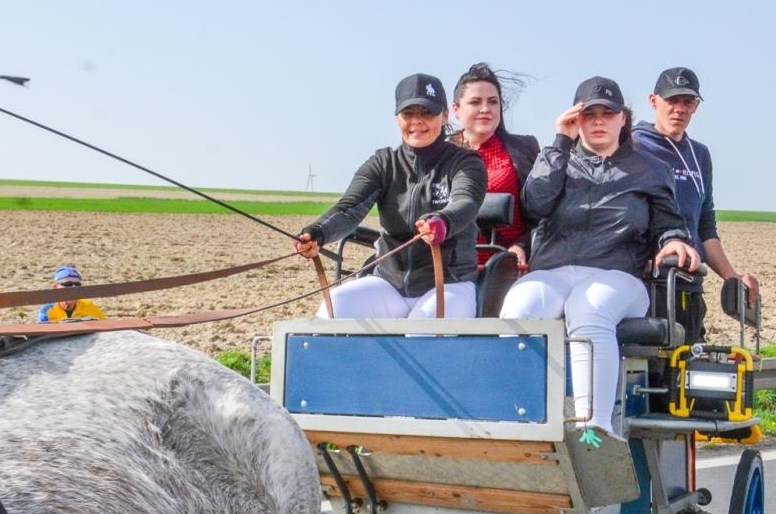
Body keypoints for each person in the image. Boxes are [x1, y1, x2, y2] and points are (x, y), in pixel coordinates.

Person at [500, 76, 700, 436]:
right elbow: (535, 206)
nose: (598, 122)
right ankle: (520, 422)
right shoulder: (557, 160)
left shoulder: (650, 170)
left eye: (607, 114)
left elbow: (668, 224)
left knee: (587, 308)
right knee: (519, 307)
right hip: (554, 270)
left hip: (619, 275)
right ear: (575, 119)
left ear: (623, 118)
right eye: (588, 114)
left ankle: (594, 430)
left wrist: (673, 240)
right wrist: (560, 142)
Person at [294, 73, 487, 319]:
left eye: (427, 112)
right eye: (408, 113)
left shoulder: (466, 163)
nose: (417, 121)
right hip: (389, 284)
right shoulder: (383, 163)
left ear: (445, 115)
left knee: (423, 328)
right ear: (397, 118)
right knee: (336, 304)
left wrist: (443, 221)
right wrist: (317, 232)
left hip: (451, 284)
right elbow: (348, 208)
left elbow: (465, 202)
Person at [632, 66, 760, 338]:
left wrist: (732, 277)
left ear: (696, 106)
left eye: (687, 101)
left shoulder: (699, 155)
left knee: (690, 359)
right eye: (671, 100)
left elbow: (705, 225)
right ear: (653, 101)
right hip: (644, 285)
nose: (679, 109)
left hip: (689, 284)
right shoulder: (632, 146)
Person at [446, 62, 541, 268]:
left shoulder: (525, 149)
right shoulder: (441, 155)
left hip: (510, 266)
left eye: (493, 102)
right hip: (452, 268)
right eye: (475, 102)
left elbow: (544, 214)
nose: (485, 109)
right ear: (456, 109)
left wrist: (522, 246)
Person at [36, 264, 107, 322]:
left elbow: (105, 327)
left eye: (77, 284)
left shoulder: (88, 305)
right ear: (55, 287)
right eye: (68, 284)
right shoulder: (47, 310)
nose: (74, 288)